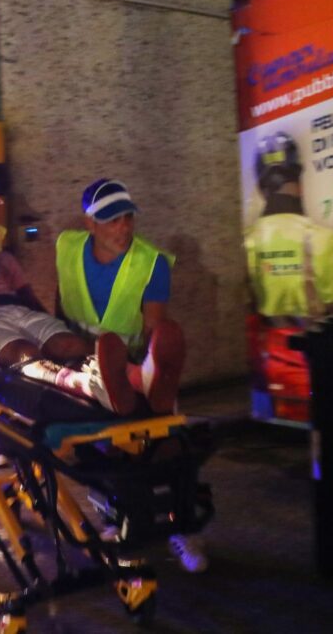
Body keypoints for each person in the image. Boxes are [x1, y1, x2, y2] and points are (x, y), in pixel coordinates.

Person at [55, 178, 206, 573]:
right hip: (83, 360)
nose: (123, 227)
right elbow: (60, 301)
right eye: (111, 220)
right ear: (90, 223)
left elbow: (154, 328)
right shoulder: (67, 247)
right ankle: (117, 518)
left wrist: (137, 373)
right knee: (105, 449)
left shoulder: (151, 263)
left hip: (134, 363)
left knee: (165, 444)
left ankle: (181, 528)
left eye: (127, 218)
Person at [0, 196, 132, 413]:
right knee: (23, 352)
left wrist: (50, 321)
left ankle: (132, 377)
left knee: (68, 344)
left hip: (17, 309)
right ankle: (88, 385)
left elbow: (29, 298)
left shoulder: (0, 257)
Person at [244, 132, 333, 421]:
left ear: (261, 184)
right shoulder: (324, 240)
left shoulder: (246, 243)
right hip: (317, 373)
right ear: (298, 177)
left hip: (266, 378)